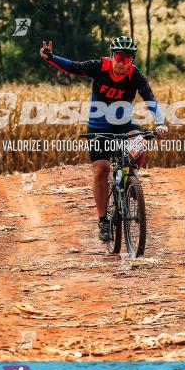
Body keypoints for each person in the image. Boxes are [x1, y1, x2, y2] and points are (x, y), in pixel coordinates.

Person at [40, 36, 168, 242]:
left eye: (126, 60)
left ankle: (132, 178)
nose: (121, 62)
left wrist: (160, 123)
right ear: (112, 56)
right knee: (102, 170)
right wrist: (50, 58)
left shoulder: (135, 75)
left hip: (124, 125)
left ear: (132, 62)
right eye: (118, 57)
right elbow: (73, 67)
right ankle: (103, 221)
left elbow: (150, 100)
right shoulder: (99, 67)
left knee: (140, 141)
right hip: (98, 126)